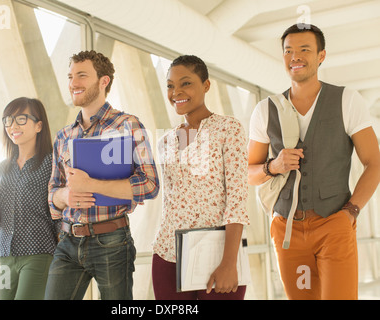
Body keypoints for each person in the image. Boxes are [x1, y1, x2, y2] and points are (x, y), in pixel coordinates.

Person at [248, 24, 380, 300]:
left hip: (334, 224)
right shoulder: (265, 110)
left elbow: (374, 162)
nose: (295, 56)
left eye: (304, 50)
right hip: (287, 229)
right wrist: (273, 166)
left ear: (321, 56)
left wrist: (351, 212)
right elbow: (249, 172)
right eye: (288, 51)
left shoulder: (346, 100)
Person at [44, 50, 159, 300]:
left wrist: (91, 184)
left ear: (103, 81)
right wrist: (65, 195)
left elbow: (150, 184)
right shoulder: (64, 136)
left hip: (112, 242)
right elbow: (52, 197)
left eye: (82, 75)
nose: (73, 83)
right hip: (67, 241)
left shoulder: (127, 125)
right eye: (70, 76)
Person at [152, 55, 249, 300]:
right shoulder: (166, 141)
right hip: (167, 255)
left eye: (186, 83)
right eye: (170, 85)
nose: (176, 92)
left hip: (217, 253)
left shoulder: (229, 129)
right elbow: (169, 204)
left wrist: (229, 262)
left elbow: (237, 200)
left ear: (206, 85)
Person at [0, 97, 58, 300]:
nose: (12, 126)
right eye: (8, 120)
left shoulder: (51, 163)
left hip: (38, 252)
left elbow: (59, 211)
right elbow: (3, 210)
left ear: (39, 125)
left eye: (21, 119)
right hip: (5, 256)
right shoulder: (3, 168)